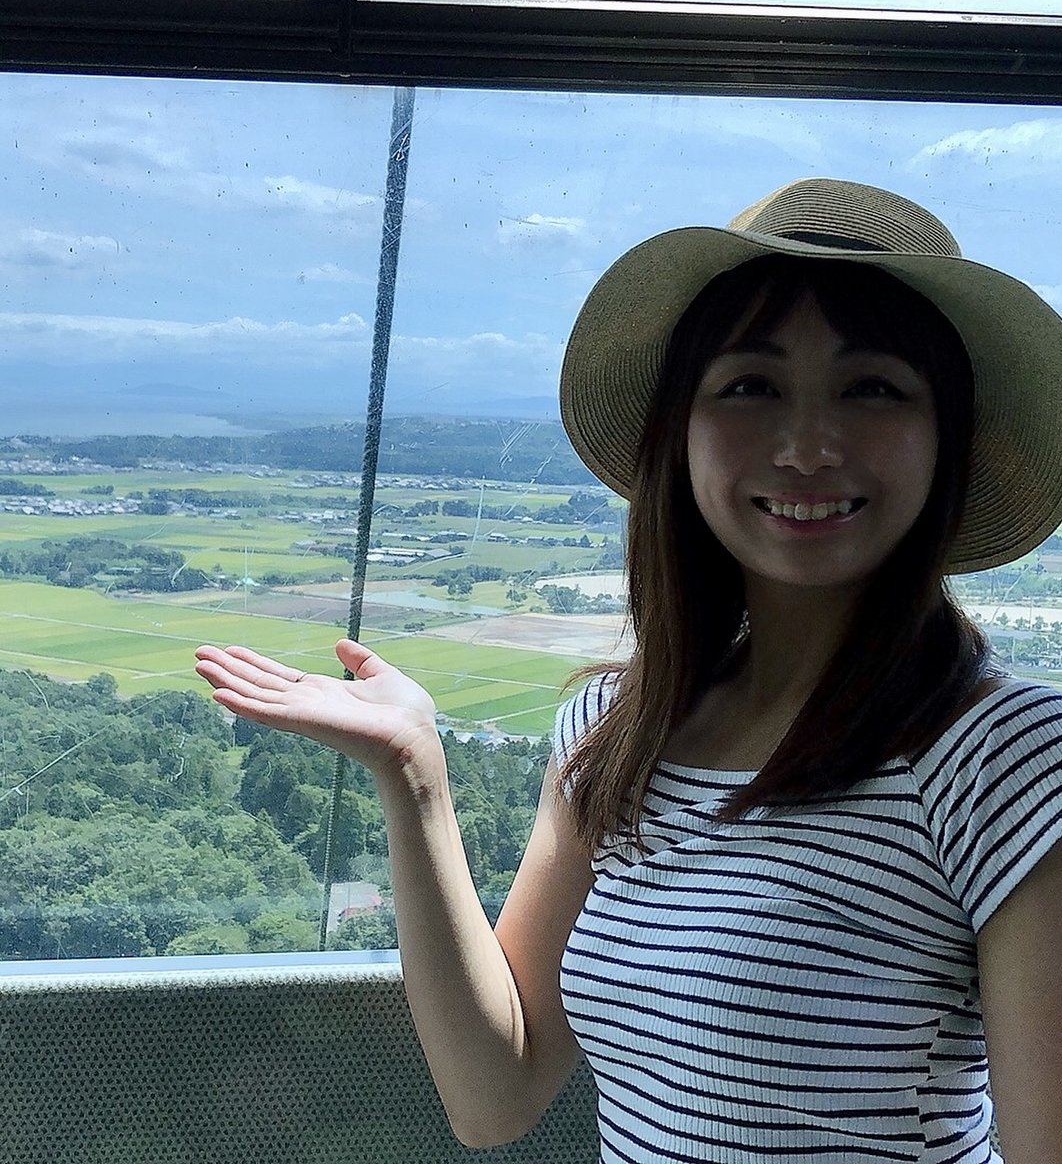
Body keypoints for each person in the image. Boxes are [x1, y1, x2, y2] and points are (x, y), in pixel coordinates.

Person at [195, 177, 1062, 1163]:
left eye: (873, 388)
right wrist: (414, 773)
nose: (809, 444)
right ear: (679, 433)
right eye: (750, 385)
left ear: (945, 439)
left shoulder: (1006, 759)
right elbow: (496, 1091)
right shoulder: (618, 729)